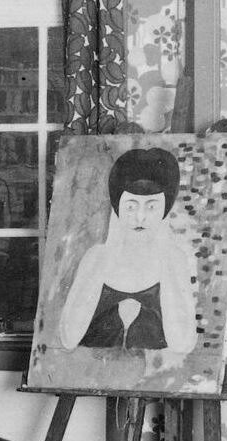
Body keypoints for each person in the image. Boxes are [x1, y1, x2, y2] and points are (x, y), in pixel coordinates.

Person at [50, 144, 199, 356]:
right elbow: (68, 339)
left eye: (151, 206)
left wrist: (168, 264)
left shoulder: (174, 259)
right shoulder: (96, 258)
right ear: (117, 207)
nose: (140, 217)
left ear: (165, 210)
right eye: (131, 206)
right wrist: (99, 267)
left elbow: (183, 344)